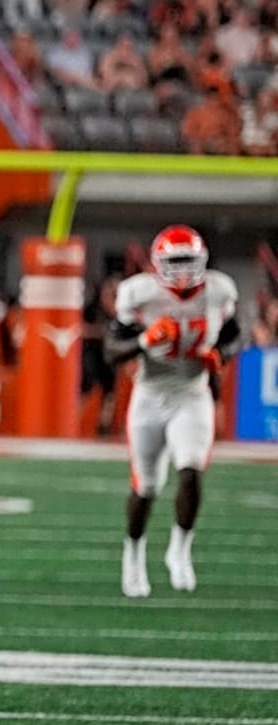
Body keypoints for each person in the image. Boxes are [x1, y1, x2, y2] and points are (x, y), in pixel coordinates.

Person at [104, 224, 241, 597]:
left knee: (191, 473)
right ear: (157, 263)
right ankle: (133, 554)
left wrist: (220, 355)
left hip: (192, 394)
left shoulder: (219, 290)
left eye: (188, 260)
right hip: (149, 395)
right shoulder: (139, 293)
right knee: (146, 487)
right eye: (175, 261)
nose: (182, 270)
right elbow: (112, 352)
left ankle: (180, 550)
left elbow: (233, 335)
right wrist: (144, 341)